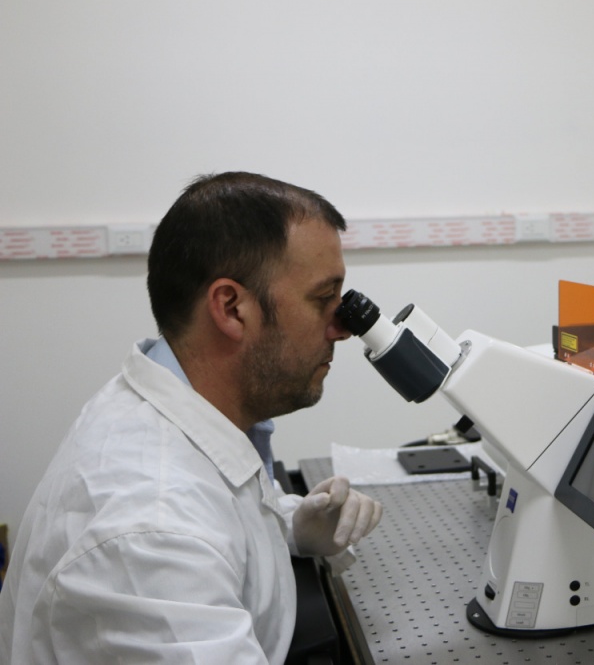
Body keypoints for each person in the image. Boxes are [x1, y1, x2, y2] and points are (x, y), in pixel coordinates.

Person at [0, 172, 383, 664]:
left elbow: (217, 514)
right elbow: (182, 527)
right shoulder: (152, 534)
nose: (343, 328)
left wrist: (289, 525)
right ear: (232, 308)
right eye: (322, 298)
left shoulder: (172, 405)